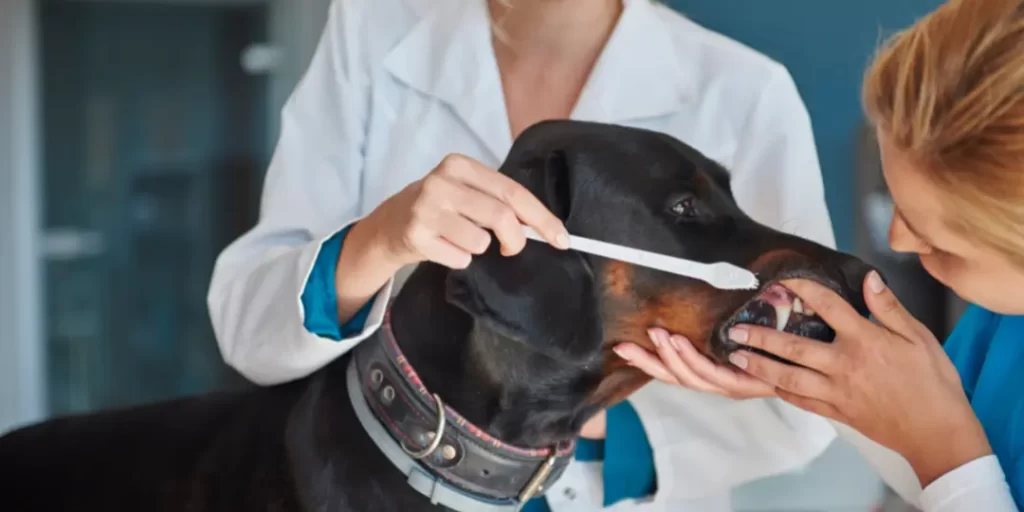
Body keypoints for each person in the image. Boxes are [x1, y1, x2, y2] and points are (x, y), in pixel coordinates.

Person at [207, 0, 841, 509]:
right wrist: (380, 238)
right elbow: (249, 327)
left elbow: (812, 405)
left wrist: (564, 438)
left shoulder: (744, 91)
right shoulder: (371, 30)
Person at [620, 0, 1024, 510]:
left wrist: (947, 449)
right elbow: (951, 476)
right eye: (896, 198)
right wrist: (836, 386)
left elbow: (958, 468)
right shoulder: (1004, 320)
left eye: (939, 242)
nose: (896, 240)